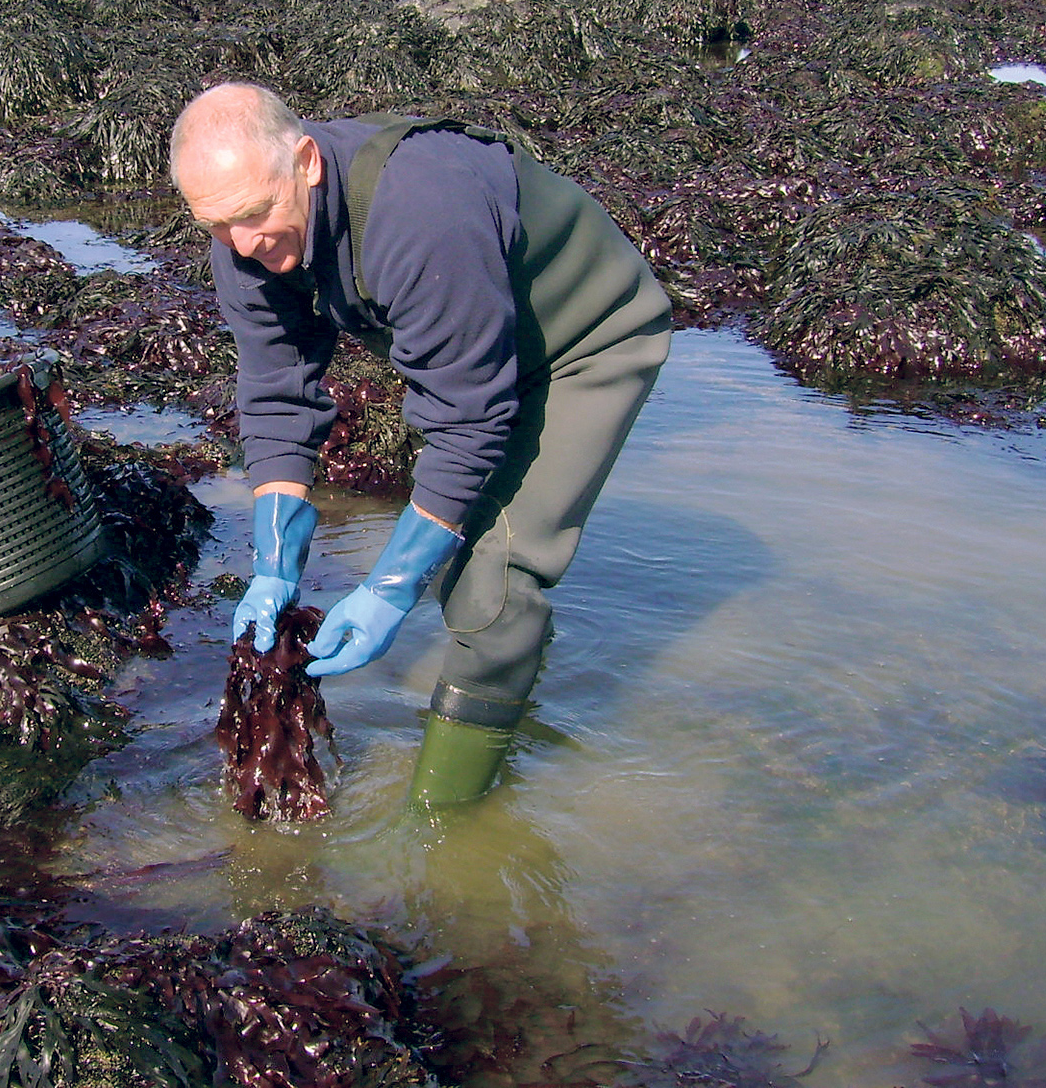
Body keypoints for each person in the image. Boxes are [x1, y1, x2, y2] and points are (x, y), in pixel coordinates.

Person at [170, 82, 672, 805]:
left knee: (488, 590)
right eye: (215, 224)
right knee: (454, 549)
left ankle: (443, 832)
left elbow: (469, 425)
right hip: (479, 349)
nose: (243, 244)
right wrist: (274, 557)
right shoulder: (244, 231)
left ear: (306, 161)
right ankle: (503, 688)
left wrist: (388, 588)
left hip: (585, 343)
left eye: (254, 215)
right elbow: (278, 388)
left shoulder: (419, 208)